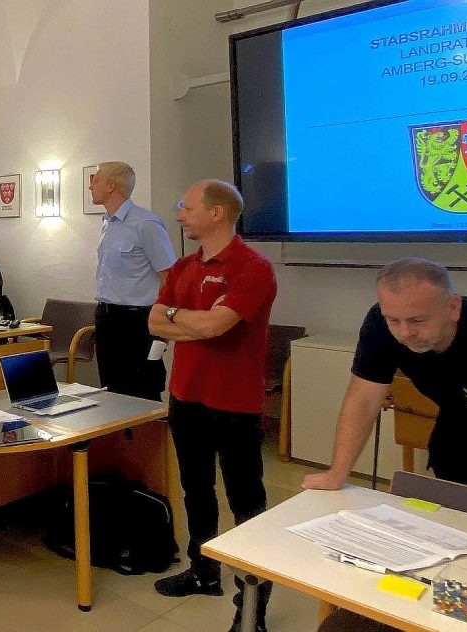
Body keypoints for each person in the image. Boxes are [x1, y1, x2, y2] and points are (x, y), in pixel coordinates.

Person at [302, 257, 467, 562]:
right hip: (458, 425)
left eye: (418, 320)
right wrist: (337, 473)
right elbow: (363, 400)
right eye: (395, 320)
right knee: (458, 526)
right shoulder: (380, 323)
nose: (405, 333)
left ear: (453, 308)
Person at [149, 180, 277, 632]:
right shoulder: (184, 266)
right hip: (186, 397)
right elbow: (156, 321)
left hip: (235, 405)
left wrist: (177, 319)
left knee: (246, 501)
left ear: (218, 212)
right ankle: (203, 572)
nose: (180, 215)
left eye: (187, 207)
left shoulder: (252, 267)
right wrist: (186, 321)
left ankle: (253, 601)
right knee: (195, 492)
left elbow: (216, 328)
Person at [91, 161, 176, 401]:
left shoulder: (145, 223)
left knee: (141, 389)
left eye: (95, 180)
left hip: (138, 320)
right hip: (108, 317)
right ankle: (119, 438)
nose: (90, 186)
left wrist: (165, 322)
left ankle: (147, 438)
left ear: (110, 186)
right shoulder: (107, 223)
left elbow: (168, 276)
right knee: (111, 387)